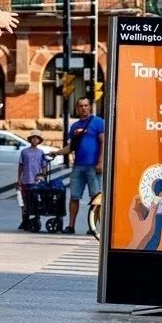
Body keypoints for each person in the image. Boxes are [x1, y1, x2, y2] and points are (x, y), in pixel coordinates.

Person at [59, 97, 106, 235]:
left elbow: (104, 142)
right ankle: (71, 226)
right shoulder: (74, 126)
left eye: (86, 105)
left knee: (95, 198)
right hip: (78, 166)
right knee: (74, 197)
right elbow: (70, 147)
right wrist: (56, 153)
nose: (83, 108)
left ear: (90, 107)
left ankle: (94, 227)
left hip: (93, 166)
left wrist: (101, 162)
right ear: (77, 108)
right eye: (81, 106)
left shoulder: (98, 122)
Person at [17, 133, 48, 231]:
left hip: (37, 181)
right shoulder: (24, 152)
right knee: (25, 201)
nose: (35, 140)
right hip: (26, 179)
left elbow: (44, 166)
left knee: (36, 200)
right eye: (33, 138)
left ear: (39, 140)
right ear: (30, 140)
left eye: (37, 138)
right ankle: (25, 220)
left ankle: (36, 217)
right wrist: (18, 179)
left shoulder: (41, 152)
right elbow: (21, 166)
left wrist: (43, 177)